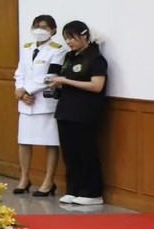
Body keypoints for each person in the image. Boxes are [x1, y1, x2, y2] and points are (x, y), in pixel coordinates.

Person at [47, 20, 109, 206]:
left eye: (72, 38)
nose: (69, 42)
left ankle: (92, 192)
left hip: (85, 112)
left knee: (86, 151)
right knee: (70, 152)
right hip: (66, 110)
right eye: (66, 39)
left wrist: (66, 81)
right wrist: (57, 83)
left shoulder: (96, 59)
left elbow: (97, 86)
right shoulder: (69, 57)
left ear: (84, 36)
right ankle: (74, 189)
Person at [14, 14, 65, 196]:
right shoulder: (26, 48)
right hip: (26, 103)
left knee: (50, 142)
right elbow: (20, 72)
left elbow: (51, 76)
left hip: (45, 102)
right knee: (24, 142)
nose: (39, 30)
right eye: (36, 26)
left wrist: (27, 90)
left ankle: (48, 181)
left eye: (44, 27)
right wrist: (19, 91)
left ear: (53, 30)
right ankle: (24, 178)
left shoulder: (58, 50)